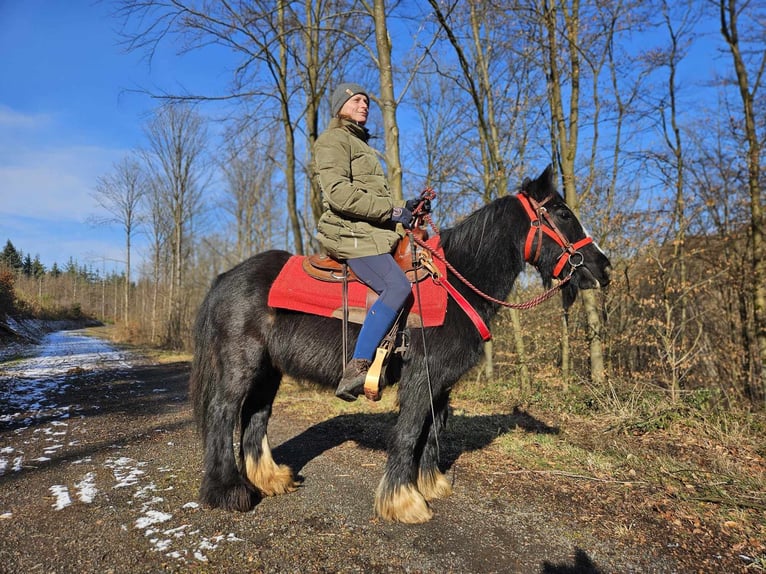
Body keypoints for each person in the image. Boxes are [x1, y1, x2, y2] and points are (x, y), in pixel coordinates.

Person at [313, 82, 428, 401]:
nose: (364, 105)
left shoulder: (359, 145)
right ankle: (357, 367)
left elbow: (373, 196)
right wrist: (393, 211)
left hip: (372, 233)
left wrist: (408, 208)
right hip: (350, 236)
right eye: (356, 100)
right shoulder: (333, 140)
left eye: (366, 101)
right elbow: (339, 195)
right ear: (340, 107)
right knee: (398, 287)